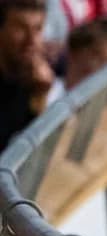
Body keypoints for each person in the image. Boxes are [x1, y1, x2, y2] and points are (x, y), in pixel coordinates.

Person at [0, 0, 53, 149]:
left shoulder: (30, 76)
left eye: (38, 29)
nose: (32, 40)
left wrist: (40, 96)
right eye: (21, 29)